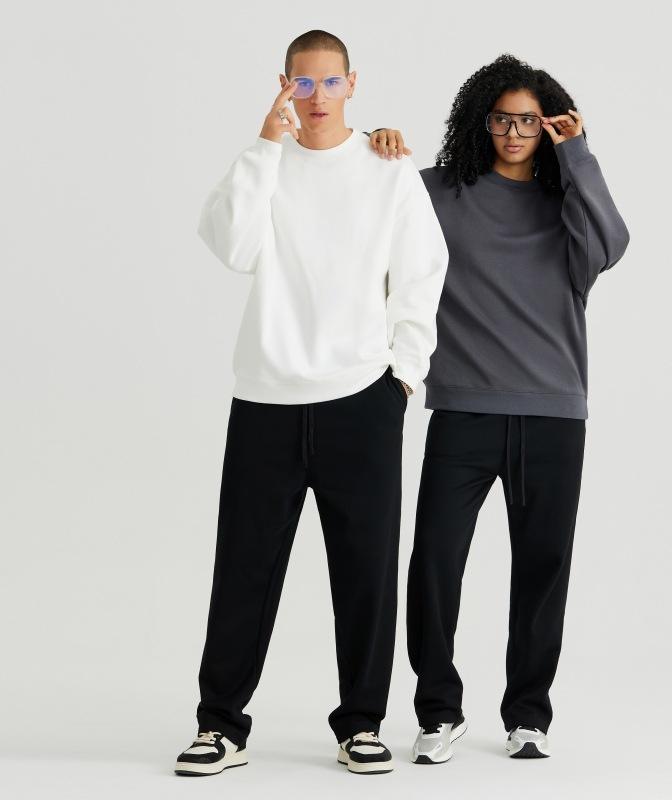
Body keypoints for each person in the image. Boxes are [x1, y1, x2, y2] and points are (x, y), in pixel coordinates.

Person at [174, 29, 448, 777]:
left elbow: (422, 272)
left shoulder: (387, 168)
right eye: (303, 82)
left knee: (366, 572)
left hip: (361, 398)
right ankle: (219, 726)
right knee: (244, 567)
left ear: (353, 84)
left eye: (330, 82)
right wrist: (265, 145)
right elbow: (233, 248)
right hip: (265, 395)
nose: (317, 96)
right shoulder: (265, 163)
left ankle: (362, 724)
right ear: (284, 84)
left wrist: (402, 377)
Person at [367, 53, 630, 763]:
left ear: (548, 127)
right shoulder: (440, 193)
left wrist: (579, 155)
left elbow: (612, 245)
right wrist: (375, 145)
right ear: (479, 122)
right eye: (501, 120)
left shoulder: (568, 207)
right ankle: (438, 710)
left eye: (528, 122)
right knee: (434, 563)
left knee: (543, 569)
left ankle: (528, 715)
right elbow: (369, 205)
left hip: (554, 413)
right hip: (463, 411)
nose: (513, 134)